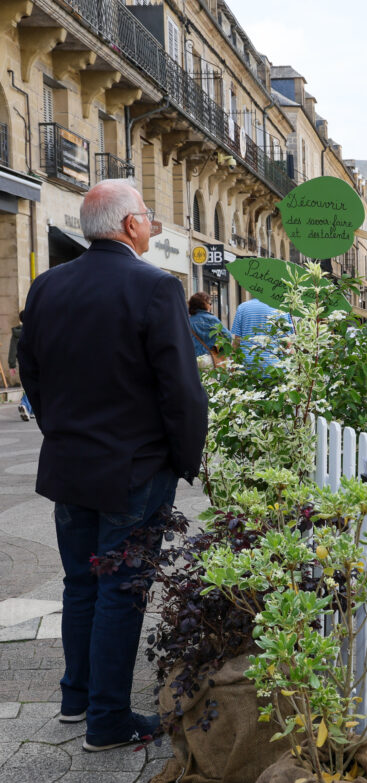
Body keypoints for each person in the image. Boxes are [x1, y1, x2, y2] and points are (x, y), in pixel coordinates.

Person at [17, 179, 208, 751]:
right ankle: (106, 719)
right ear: (130, 225)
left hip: (72, 462)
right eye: (147, 216)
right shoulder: (155, 287)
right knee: (121, 589)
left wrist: (60, 429)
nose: (151, 224)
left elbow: (32, 372)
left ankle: (77, 698)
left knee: (82, 583)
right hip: (134, 467)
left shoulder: (48, 284)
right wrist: (184, 457)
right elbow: (181, 387)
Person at [231, 297, 294, 368]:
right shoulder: (282, 309)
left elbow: (236, 343)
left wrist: (231, 372)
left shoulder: (242, 307)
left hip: (247, 369)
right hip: (274, 368)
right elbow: (288, 345)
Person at [188, 292, 234, 367]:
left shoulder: (187, 321)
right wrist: (219, 349)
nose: (211, 306)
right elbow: (228, 336)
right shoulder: (212, 319)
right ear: (204, 305)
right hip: (210, 359)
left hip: (191, 360)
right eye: (210, 303)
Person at [8, 311, 33, 421]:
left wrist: (12, 365)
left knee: (30, 385)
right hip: (34, 362)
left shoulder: (17, 333)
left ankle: (31, 410)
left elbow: (12, 349)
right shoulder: (33, 331)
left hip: (22, 362)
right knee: (33, 386)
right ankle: (25, 405)